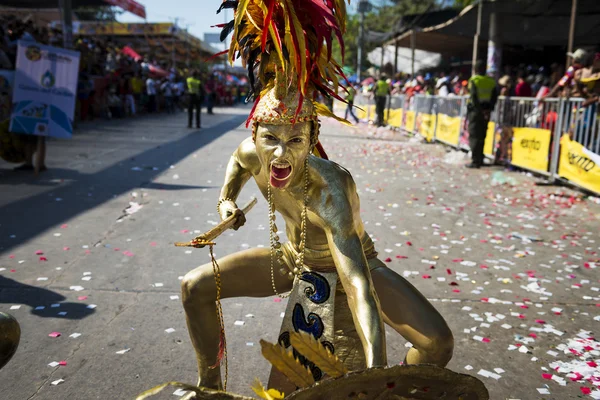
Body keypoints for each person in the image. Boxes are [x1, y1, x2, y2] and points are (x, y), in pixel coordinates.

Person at [180, 1, 453, 396]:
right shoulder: (247, 154)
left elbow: (358, 283)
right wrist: (227, 204)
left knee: (438, 343)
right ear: (254, 134)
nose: (279, 154)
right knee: (194, 287)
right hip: (294, 259)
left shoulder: (332, 189)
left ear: (311, 140)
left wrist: (374, 373)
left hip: (352, 269)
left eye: (294, 141)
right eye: (270, 138)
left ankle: (396, 385)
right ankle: (207, 388)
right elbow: (233, 178)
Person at [465, 60, 498, 169]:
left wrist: (479, 110)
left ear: (476, 69)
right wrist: (488, 110)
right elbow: (494, 97)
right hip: (486, 112)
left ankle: (475, 161)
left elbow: (474, 97)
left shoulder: (474, 80)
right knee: (482, 136)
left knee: (474, 136)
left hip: (475, 112)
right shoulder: (491, 81)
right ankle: (481, 158)